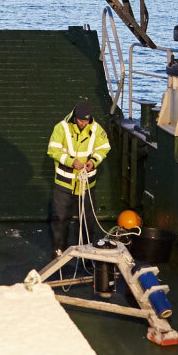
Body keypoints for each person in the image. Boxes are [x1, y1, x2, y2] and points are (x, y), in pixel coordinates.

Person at [47, 100, 111, 253]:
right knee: (60, 219)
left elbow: (104, 148)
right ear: (75, 117)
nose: (84, 123)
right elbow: (53, 150)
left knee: (88, 220)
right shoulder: (61, 128)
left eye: (86, 120)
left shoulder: (96, 129)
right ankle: (59, 251)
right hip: (64, 184)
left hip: (86, 184)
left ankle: (87, 252)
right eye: (81, 120)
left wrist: (93, 161)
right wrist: (71, 162)